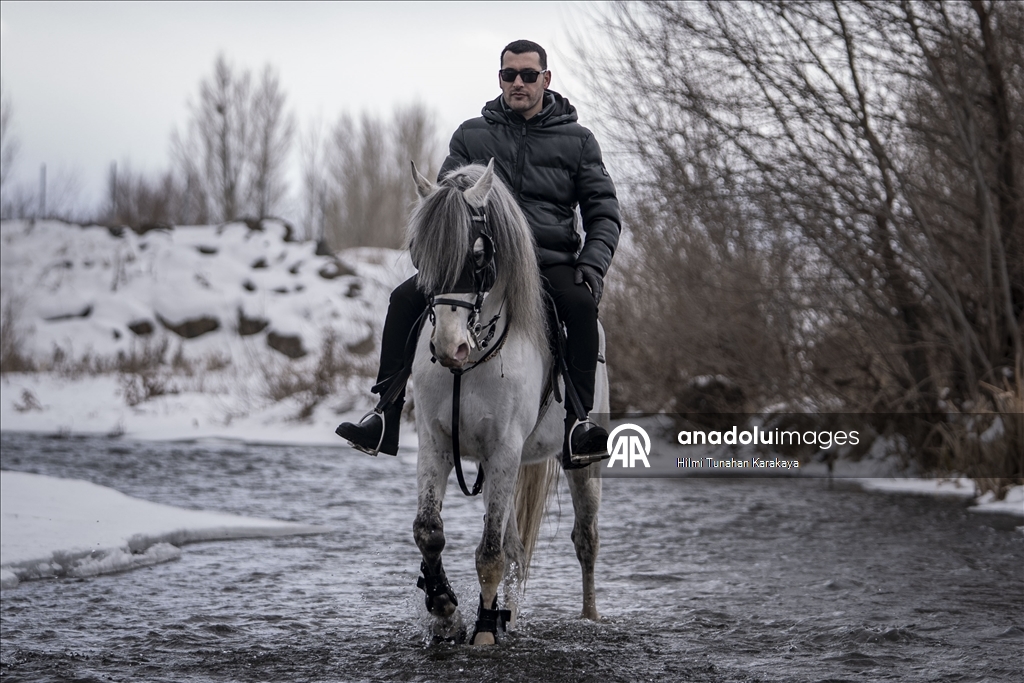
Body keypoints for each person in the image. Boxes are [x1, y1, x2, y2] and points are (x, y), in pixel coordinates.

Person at [336, 39, 621, 468]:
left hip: (548, 263)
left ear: (546, 79)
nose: (518, 83)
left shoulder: (578, 141)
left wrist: (591, 267)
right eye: (509, 75)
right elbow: (441, 210)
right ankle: (385, 414)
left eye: (528, 75)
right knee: (403, 299)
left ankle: (579, 425)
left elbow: (604, 214)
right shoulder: (471, 134)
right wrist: (435, 258)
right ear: (500, 79)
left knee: (581, 307)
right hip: (479, 264)